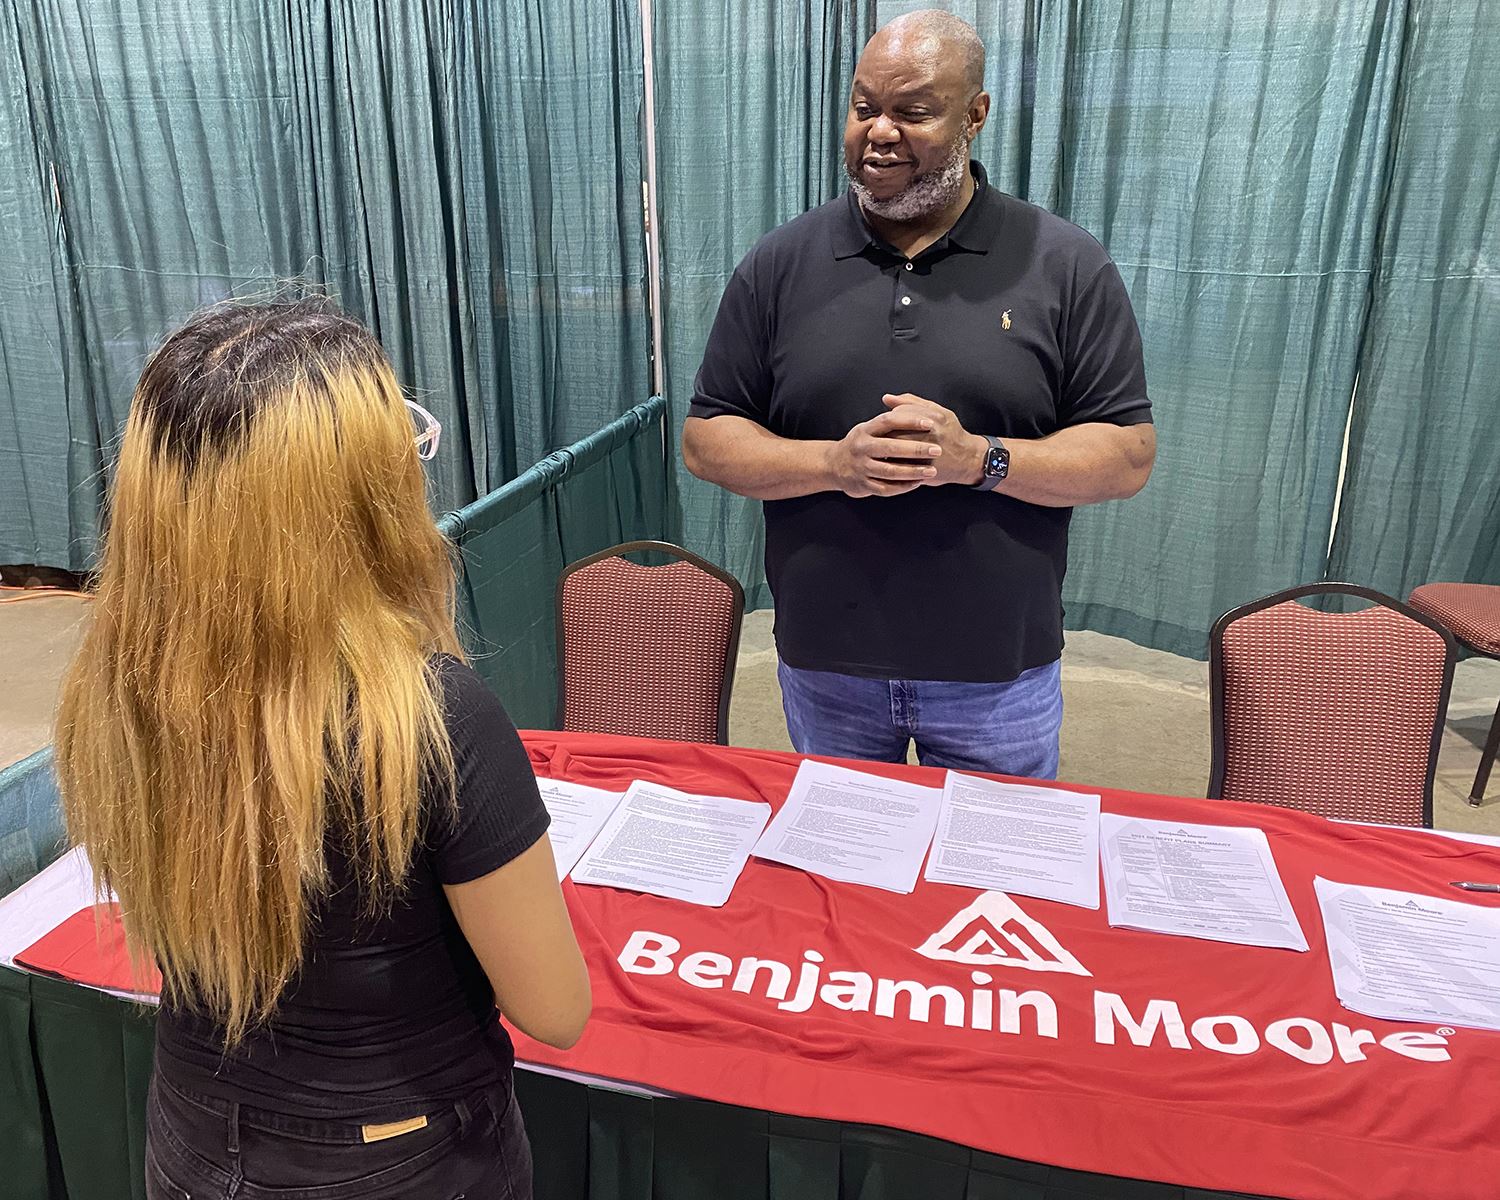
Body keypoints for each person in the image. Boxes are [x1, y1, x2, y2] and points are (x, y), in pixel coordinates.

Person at [54, 299, 590, 1200]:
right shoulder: (434, 718)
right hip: (402, 1158)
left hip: (190, 1132)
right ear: (360, 498)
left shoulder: (113, 688)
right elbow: (557, 1011)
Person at [682, 11, 1155, 779]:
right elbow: (707, 439)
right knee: (847, 885)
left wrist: (981, 460)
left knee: (993, 890)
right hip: (825, 665)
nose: (879, 133)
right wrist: (838, 463)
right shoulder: (780, 263)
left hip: (999, 673)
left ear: (976, 114)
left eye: (913, 111)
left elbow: (1127, 456)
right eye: (865, 106)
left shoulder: (1064, 264)